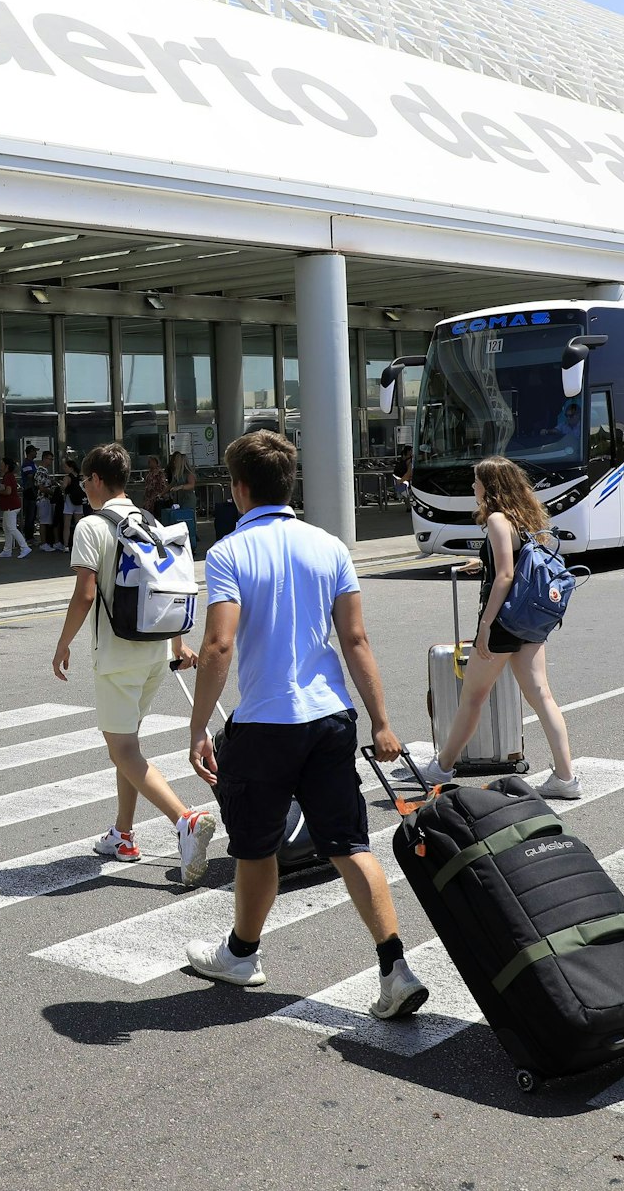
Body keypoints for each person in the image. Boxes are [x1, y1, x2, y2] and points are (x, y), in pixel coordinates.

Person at [180, 430, 429, 1015]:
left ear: (239, 488)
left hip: (264, 724)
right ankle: (394, 966)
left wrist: (197, 727)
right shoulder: (330, 547)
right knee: (349, 844)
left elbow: (218, 645)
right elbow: (355, 638)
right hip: (329, 717)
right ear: (288, 483)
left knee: (256, 848)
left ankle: (242, 954)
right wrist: (382, 723)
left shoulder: (228, 553)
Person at [51, 443, 216, 879]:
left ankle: (185, 819)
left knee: (122, 749)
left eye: (85, 480)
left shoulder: (91, 526)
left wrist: (63, 644)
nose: (84, 487)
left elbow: (85, 594)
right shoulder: (149, 521)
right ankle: (123, 834)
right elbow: (167, 584)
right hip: (155, 653)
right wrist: (178, 645)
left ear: (96, 480)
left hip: (117, 656)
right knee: (128, 747)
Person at [417, 455, 581, 799]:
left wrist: (486, 625)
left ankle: (442, 766)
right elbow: (520, 561)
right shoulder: (525, 516)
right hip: (530, 617)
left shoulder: (496, 518)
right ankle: (566, 778)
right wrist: (483, 562)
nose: (473, 486)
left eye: (476, 481)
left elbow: (505, 575)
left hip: (504, 621)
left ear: (490, 487)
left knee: (472, 697)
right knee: (542, 696)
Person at [0, 464, 30, 558]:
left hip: (11, 506)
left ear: (6, 466)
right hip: (10, 506)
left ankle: (24, 547)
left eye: (2, 464)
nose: (0, 466)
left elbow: (8, 491)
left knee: (11, 528)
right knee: (6, 528)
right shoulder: (9, 476)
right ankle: (7, 550)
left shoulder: (7, 477)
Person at [61, 455, 87, 548]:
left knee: (67, 524)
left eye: (65, 467)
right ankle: (79, 544)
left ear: (71, 468)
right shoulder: (80, 477)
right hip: (79, 501)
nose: (64, 469)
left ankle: (66, 545)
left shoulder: (67, 477)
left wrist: (61, 485)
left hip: (69, 501)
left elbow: (63, 487)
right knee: (78, 524)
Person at [166, 449, 197, 529]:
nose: (174, 462)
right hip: (180, 499)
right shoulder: (177, 474)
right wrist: (161, 493)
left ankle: (192, 532)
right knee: (181, 518)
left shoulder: (189, 473)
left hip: (188, 499)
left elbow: (191, 485)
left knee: (188, 518)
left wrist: (180, 487)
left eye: (176, 461)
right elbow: (171, 484)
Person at [35, 450, 58, 551]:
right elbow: (41, 487)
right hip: (43, 499)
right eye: (50, 459)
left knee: (47, 521)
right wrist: (52, 493)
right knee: (43, 522)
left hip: (47, 499)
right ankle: (43, 543)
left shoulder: (45, 472)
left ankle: (48, 542)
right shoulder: (41, 471)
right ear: (44, 459)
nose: (51, 461)